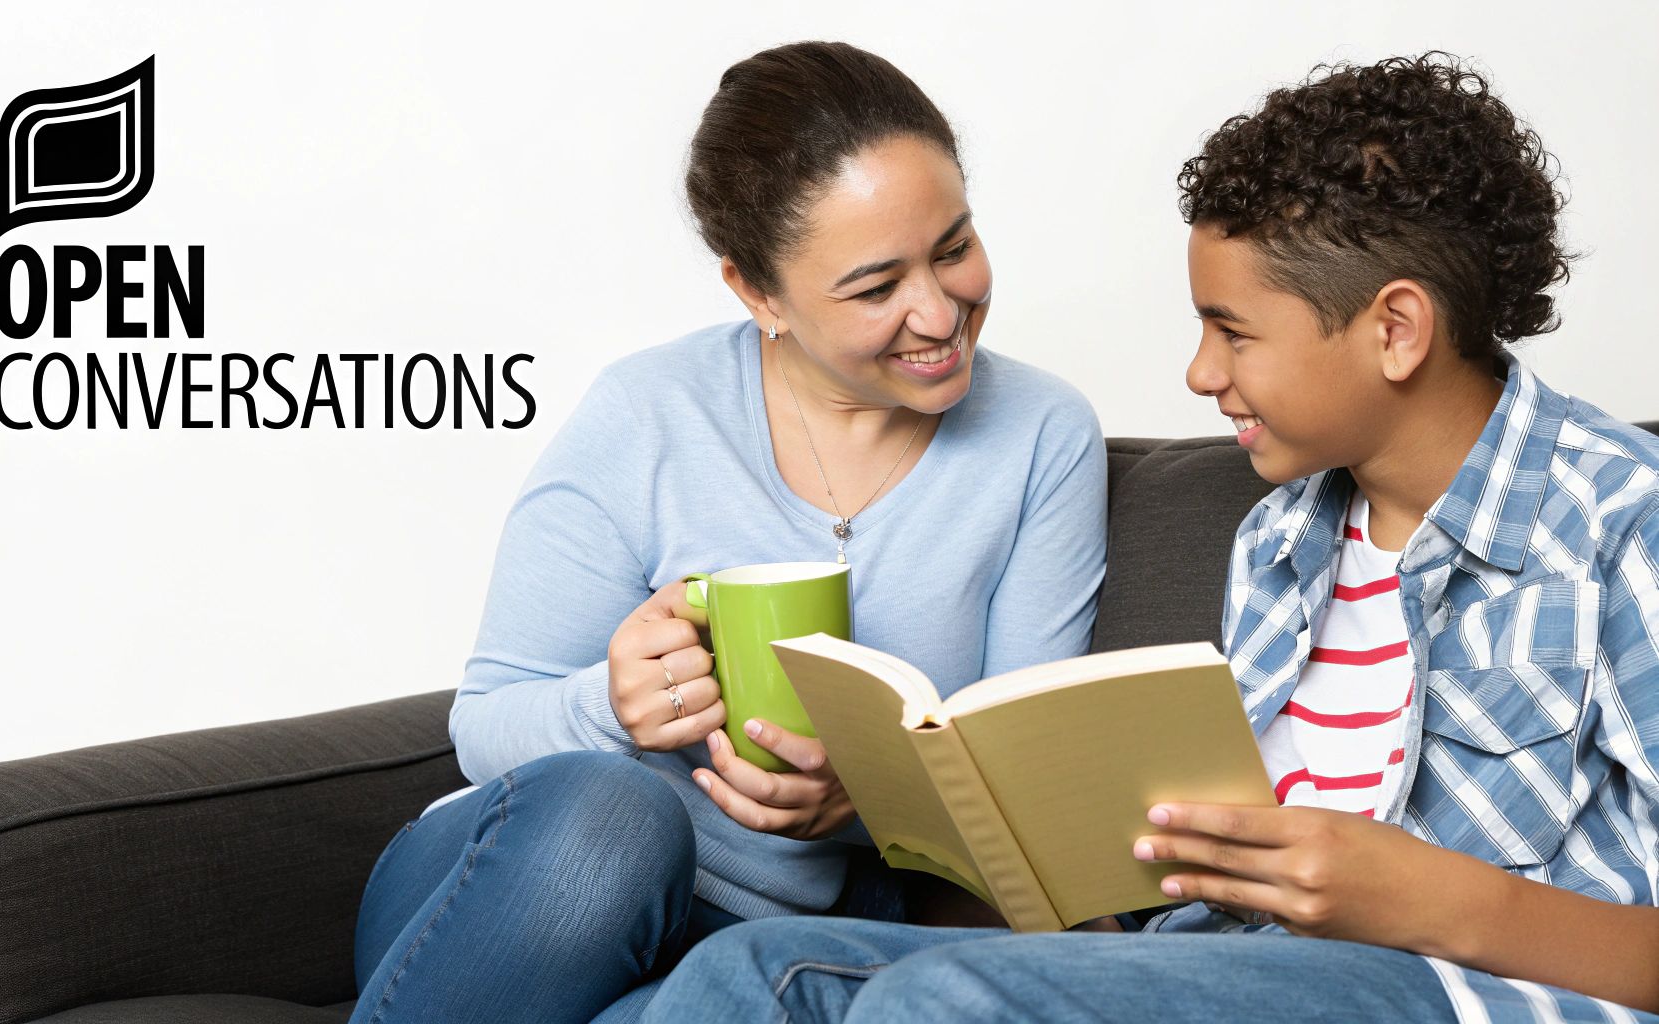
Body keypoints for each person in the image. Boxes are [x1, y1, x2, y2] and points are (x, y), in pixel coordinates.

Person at [638, 52, 1659, 1024]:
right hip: (1218, 961)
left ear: (1395, 330)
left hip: (1450, 988)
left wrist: (1425, 897)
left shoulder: (1619, 521)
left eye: (1233, 331)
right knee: (752, 971)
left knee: (943, 1002)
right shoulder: (1281, 538)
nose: (1200, 374)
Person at [345, 41, 1108, 1024]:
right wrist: (610, 705)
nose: (937, 311)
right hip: (512, 888)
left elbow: (1020, 779)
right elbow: (484, 722)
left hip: (758, 941)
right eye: (875, 287)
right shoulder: (648, 415)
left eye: (953, 248)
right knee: (617, 816)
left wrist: (870, 797)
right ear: (757, 293)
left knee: (731, 996)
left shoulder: (1040, 435)